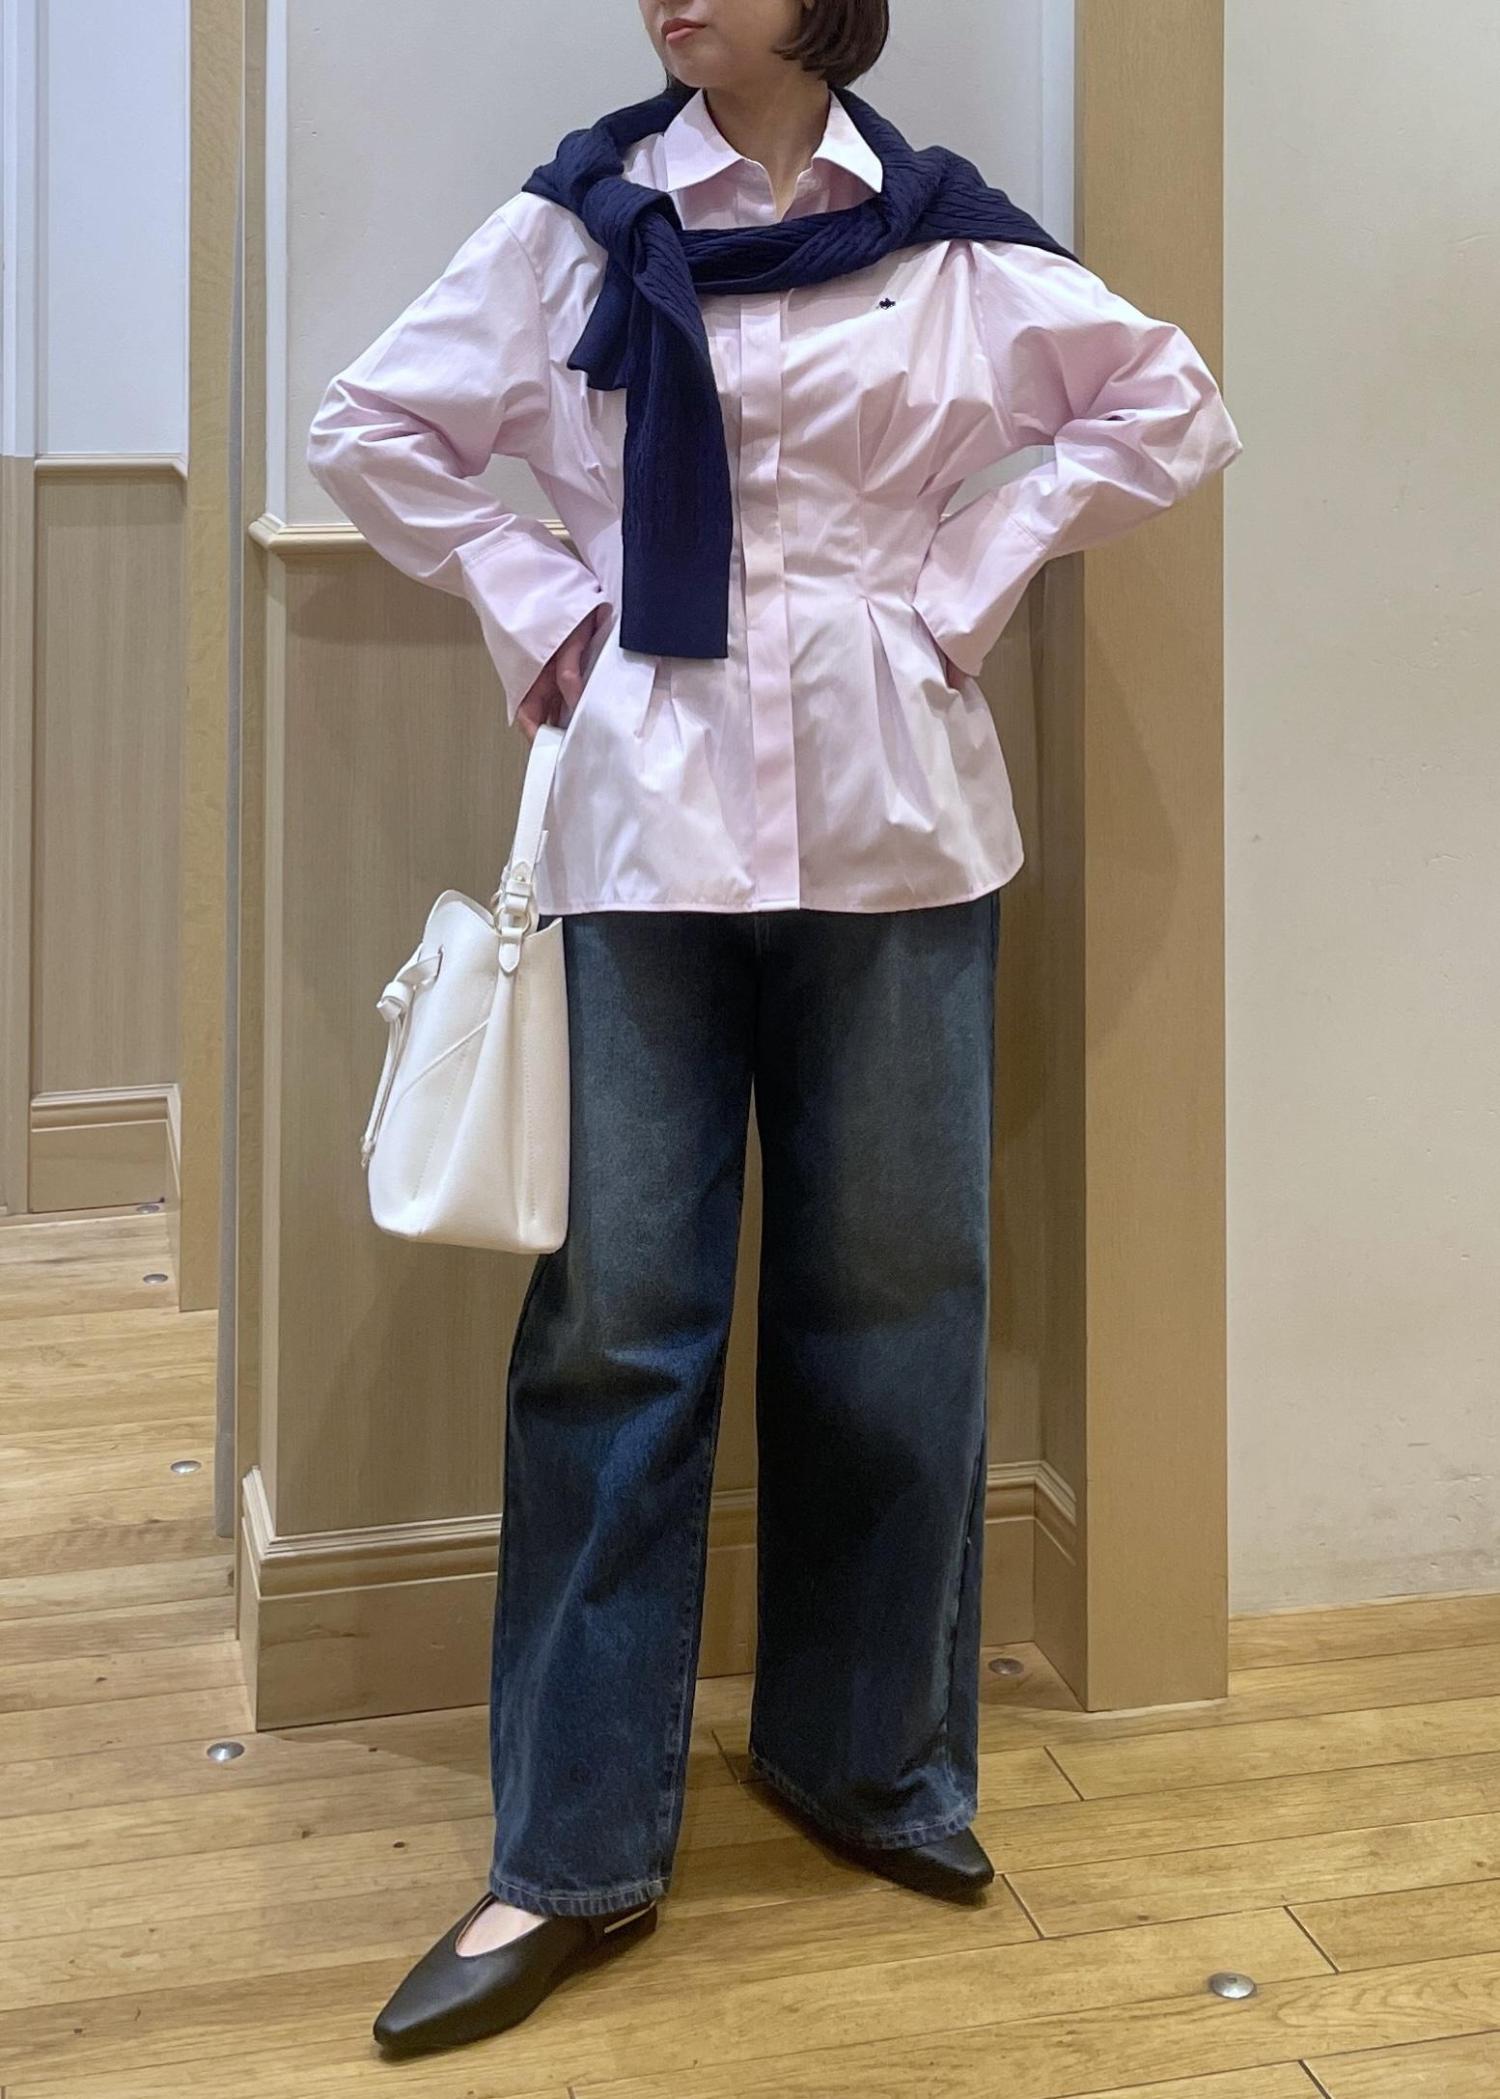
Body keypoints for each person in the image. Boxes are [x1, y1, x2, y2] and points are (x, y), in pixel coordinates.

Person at [305, 0, 1243, 2061]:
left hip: (902, 834)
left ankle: (868, 1761)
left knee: (895, 1310)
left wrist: (972, 567)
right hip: (641, 837)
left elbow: (1167, 405)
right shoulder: (580, 226)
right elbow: (370, 430)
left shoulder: (942, 240)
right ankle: (566, 1850)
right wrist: (552, 608)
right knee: (616, 1332)